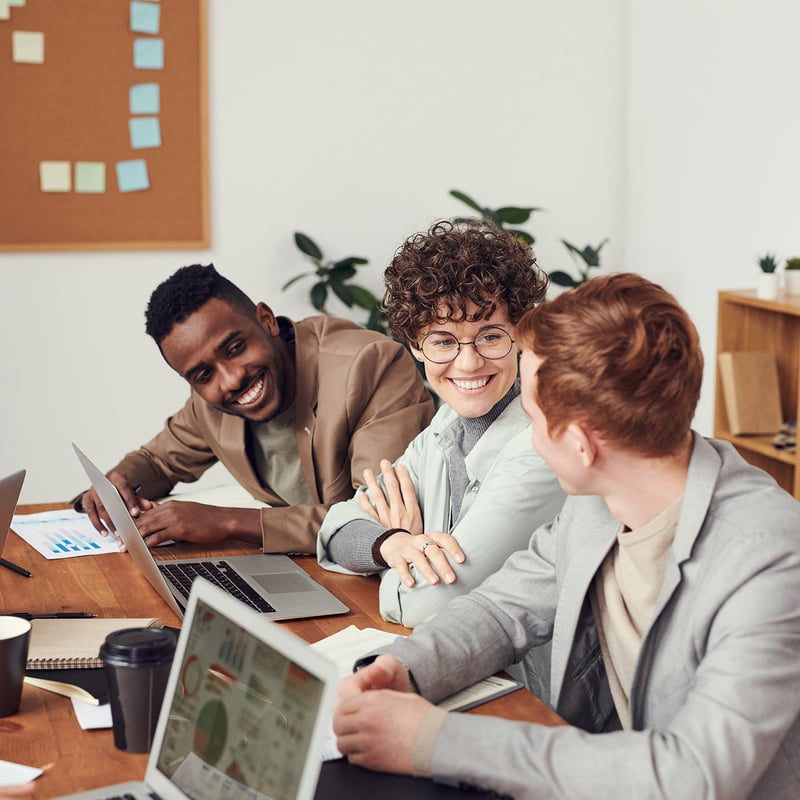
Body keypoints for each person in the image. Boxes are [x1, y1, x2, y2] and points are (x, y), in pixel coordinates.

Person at [333, 273, 800, 799]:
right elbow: (501, 610)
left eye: (531, 417)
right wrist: (405, 670)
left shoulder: (769, 558)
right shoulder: (597, 503)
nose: (527, 436)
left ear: (581, 445)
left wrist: (433, 741)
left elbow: (692, 774)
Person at [75, 263, 434, 554]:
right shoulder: (209, 406)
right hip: (308, 571)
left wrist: (229, 522)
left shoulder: (368, 365)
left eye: (234, 348)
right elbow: (157, 462)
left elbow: (376, 520)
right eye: (203, 375)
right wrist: (118, 484)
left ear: (266, 320)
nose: (230, 380)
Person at [317, 220, 565, 627]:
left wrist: (386, 557)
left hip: (522, 685)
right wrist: (394, 543)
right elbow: (335, 527)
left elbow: (426, 607)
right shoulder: (444, 428)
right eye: (444, 341)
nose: (468, 363)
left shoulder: (540, 450)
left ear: (520, 334)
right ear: (416, 346)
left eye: (490, 336)